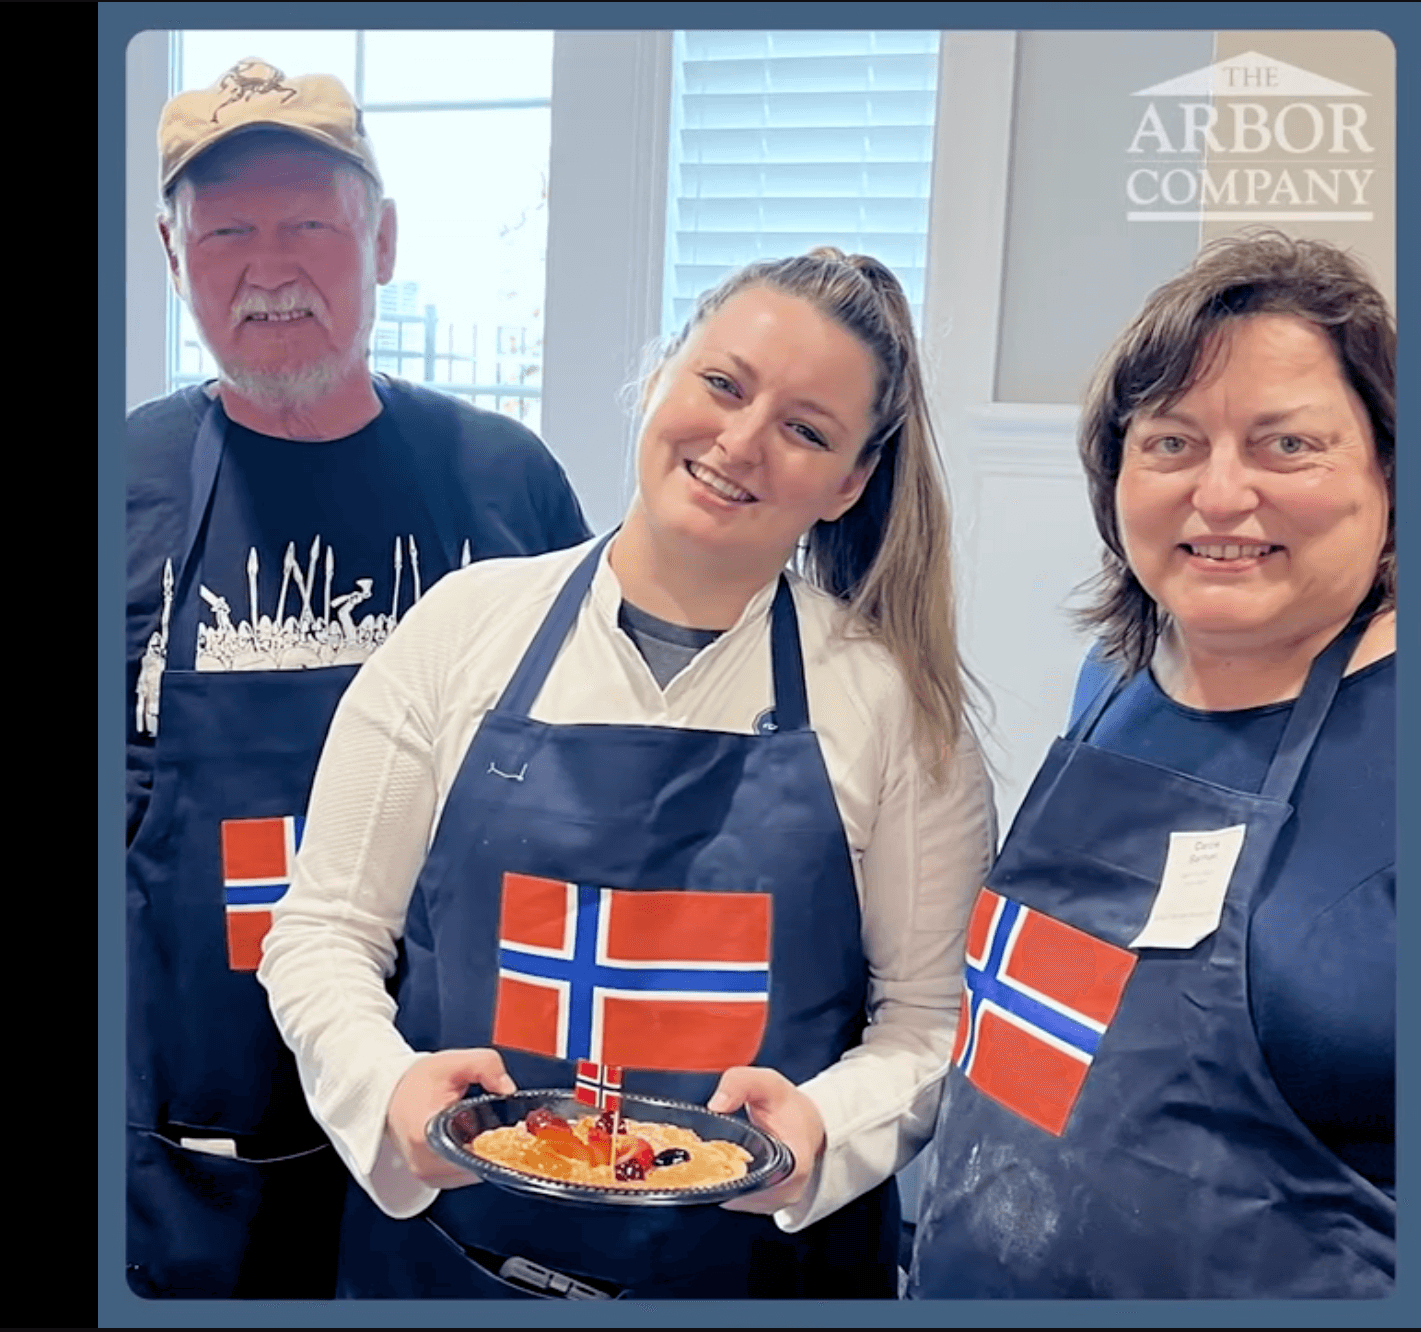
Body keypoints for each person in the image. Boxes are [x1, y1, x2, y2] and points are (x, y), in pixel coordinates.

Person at [257, 248, 997, 1299]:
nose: (741, 441)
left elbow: (932, 1018)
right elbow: (324, 931)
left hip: (760, 1282)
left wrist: (824, 1128)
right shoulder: (460, 630)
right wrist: (386, 1094)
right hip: (446, 1269)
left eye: (806, 430)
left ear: (850, 483)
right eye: (723, 383)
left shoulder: (893, 704)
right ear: (659, 375)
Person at [124, 60, 591, 1299]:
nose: (268, 269)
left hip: (460, 1099)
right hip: (198, 1126)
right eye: (225, 233)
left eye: (308, 226)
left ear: (381, 241)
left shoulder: (508, 482)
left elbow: (587, 781)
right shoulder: (127, 484)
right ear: (172, 257)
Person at [908, 231, 1398, 1299]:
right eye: (1172, 442)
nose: (1219, 496)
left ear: (1388, 471)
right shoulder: (1110, 684)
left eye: (1287, 445)